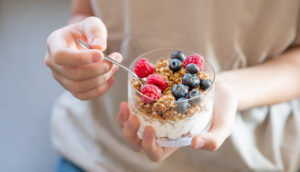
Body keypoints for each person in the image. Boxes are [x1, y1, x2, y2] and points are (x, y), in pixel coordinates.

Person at [45, 0, 300, 171]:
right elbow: (85, 8)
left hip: (247, 157)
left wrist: (233, 89)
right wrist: (78, 45)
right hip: (100, 147)